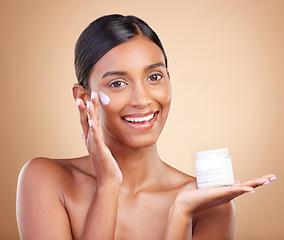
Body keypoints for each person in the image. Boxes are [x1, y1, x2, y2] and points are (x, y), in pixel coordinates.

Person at [16, 14, 276, 240]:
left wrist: (180, 213)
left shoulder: (210, 205)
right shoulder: (45, 179)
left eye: (154, 77)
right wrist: (108, 186)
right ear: (83, 97)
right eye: (118, 83)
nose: (142, 99)